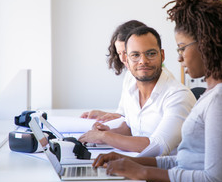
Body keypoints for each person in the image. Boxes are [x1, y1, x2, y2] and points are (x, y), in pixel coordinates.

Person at [92, 0, 222, 182]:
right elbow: (185, 161)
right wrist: (130, 161)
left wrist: (144, 172)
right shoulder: (214, 94)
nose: (179, 57)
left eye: (182, 48)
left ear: (207, 45)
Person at [79, 26, 196, 156]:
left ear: (162, 56)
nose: (143, 61)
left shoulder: (178, 96)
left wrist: (106, 137)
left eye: (151, 54)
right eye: (135, 55)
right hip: (135, 166)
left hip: (164, 172)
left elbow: (158, 146)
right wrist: (109, 131)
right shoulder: (131, 89)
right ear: (126, 60)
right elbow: (132, 127)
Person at [80, 20, 145, 122]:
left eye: (126, 52)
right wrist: (104, 115)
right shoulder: (129, 76)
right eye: (119, 53)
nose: (123, 58)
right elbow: (124, 115)